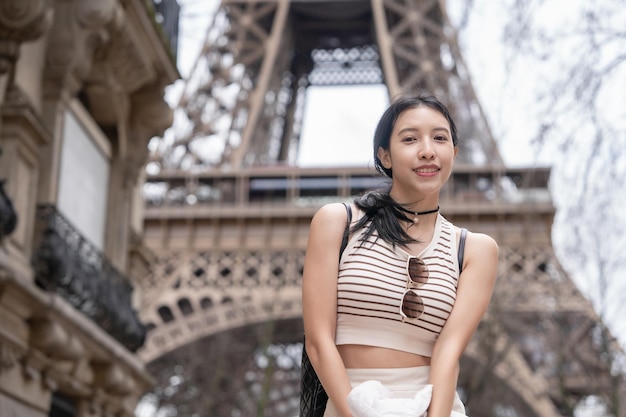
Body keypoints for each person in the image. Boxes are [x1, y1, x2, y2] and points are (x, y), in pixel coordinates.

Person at [301, 93, 499, 417]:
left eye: (439, 138)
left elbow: (447, 354)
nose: (427, 150)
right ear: (385, 156)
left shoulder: (476, 249)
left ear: (454, 152)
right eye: (410, 139)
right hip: (349, 405)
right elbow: (318, 342)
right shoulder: (337, 223)